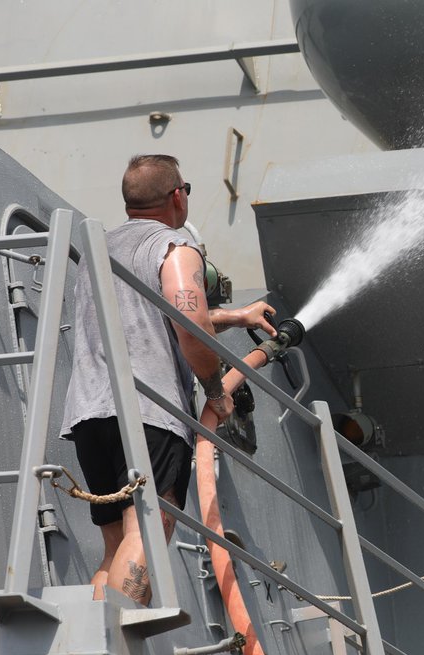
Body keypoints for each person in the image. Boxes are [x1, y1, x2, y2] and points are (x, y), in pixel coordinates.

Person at [60, 154, 276, 603]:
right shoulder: (174, 247)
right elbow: (191, 329)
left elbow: (153, 313)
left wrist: (236, 316)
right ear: (178, 195)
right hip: (149, 411)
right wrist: (216, 392)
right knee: (150, 526)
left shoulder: (102, 250)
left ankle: (96, 635)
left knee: (116, 543)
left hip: (89, 411)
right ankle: (118, 646)